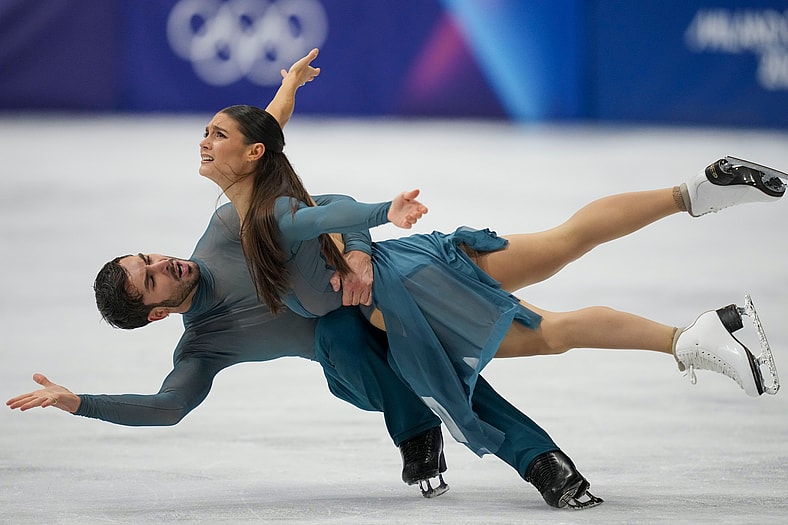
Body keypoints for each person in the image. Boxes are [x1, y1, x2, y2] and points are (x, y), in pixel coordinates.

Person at [195, 50, 785, 507]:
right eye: (209, 131)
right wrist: (287, 89)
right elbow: (269, 132)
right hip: (421, 259)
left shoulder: (270, 214)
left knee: (553, 333)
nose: (205, 141)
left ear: (249, 156)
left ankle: (691, 338)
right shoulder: (255, 189)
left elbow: (328, 214)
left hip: (407, 297)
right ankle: (698, 191)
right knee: (565, 240)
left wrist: (379, 216)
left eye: (218, 136)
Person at [6, 50, 591, 510]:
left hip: (379, 293)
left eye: (149, 258)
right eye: (153, 281)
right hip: (354, 359)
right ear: (157, 314)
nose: (165, 264)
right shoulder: (203, 347)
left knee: (449, 370)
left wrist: (358, 250)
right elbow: (168, 407)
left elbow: (267, 161)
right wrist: (80, 403)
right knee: (340, 338)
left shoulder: (222, 228)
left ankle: (542, 462)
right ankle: (417, 430)